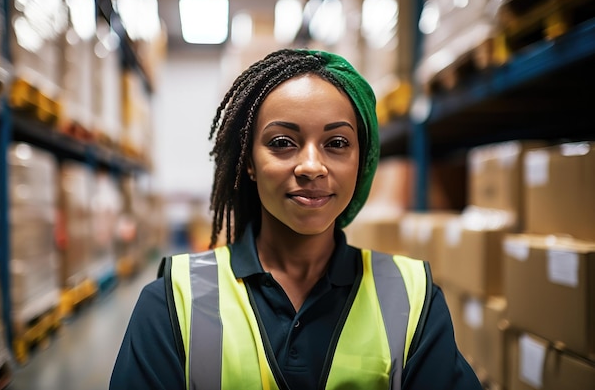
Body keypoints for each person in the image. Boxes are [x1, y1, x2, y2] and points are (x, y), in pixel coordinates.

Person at [110, 49, 482, 390]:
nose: (311, 166)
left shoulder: (414, 299)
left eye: (336, 144)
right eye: (282, 142)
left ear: (361, 161)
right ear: (250, 164)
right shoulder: (174, 302)